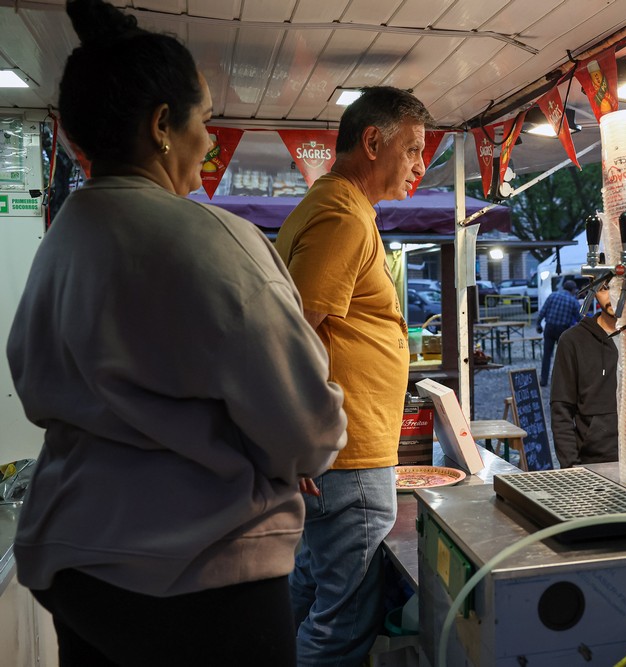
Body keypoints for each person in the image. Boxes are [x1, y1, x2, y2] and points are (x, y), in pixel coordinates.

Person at [6, 1, 348, 664]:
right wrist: (288, 455)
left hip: (76, 568)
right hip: (200, 577)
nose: (210, 142)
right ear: (163, 125)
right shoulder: (214, 241)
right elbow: (307, 428)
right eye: (205, 119)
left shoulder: (65, 238)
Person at [275, 86, 432, 666]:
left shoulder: (339, 208)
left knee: (310, 591)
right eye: (412, 149)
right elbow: (296, 332)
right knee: (343, 623)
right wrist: (300, 436)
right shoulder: (342, 214)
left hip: (337, 454)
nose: (420, 166)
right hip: (347, 454)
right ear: (372, 142)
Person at [550, 283, 619, 468]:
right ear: (593, 291)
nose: (613, 295)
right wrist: (571, 467)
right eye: (604, 288)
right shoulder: (573, 340)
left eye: (620, 286)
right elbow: (561, 409)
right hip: (594, 463)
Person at [536, 278, 583, 386]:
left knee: (547, 355)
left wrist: (538, 324)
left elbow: (542, 311)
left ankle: (544, 380)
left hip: (549, 328)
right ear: (572, 290)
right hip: (562, 330)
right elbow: (580, 318)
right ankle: (561, 381)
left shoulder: (553, 296)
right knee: (563, 356)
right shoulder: (573, 301)